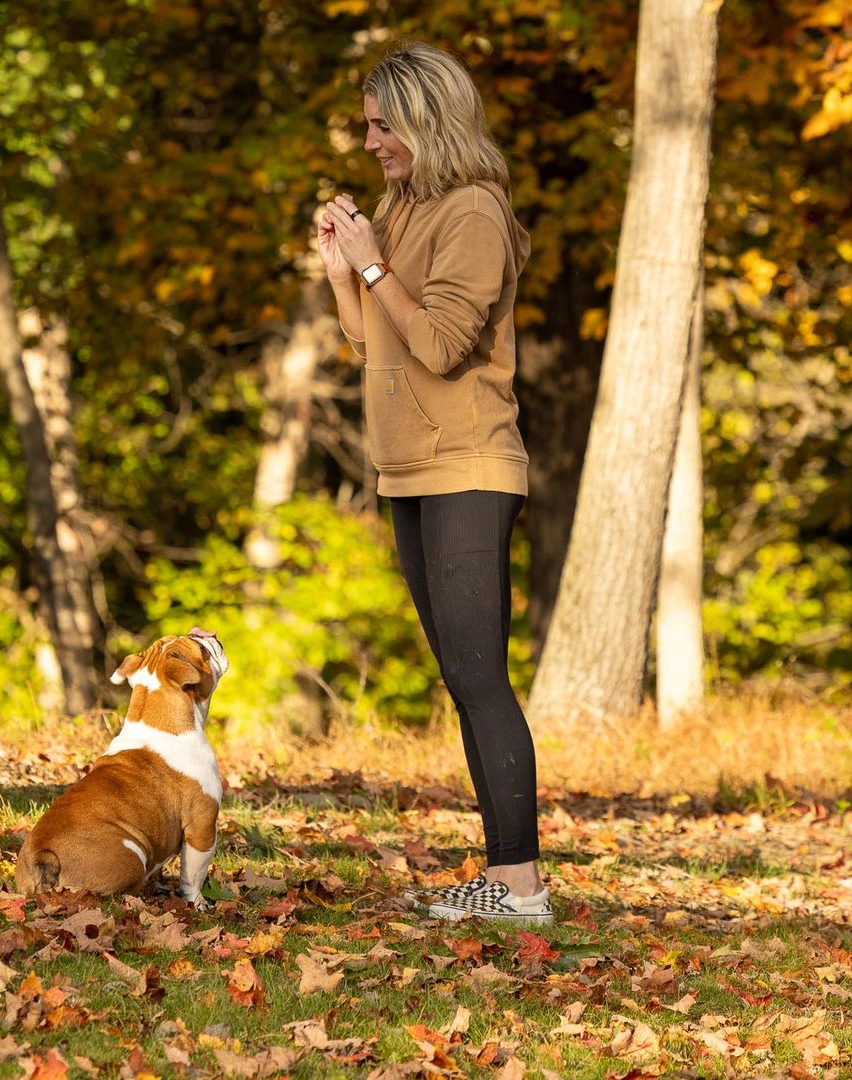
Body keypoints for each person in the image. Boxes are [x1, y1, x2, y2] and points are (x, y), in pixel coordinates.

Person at [316, 42, 549, 925]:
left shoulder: (475, 211)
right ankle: (506, 881)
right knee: (461, 674)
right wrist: (348, 273)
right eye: (368, 124)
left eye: (383, 125)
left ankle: (520, 885)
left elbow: (446, 345)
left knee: (481, 675)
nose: (370, 140)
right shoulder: (401, 208)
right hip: (406, 467)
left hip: (468, 463)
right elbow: (376, 342)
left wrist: (375, 264)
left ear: (426, 119)